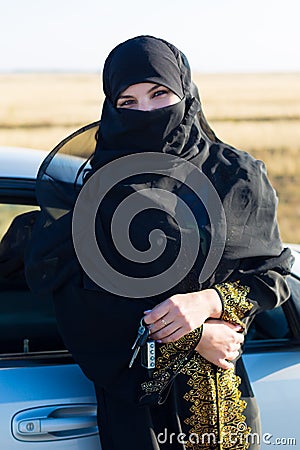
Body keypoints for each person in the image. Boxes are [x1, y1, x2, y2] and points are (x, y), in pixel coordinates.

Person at [25, 36, 293, 450]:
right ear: (111, 108)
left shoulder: (235, 177)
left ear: (184, 93)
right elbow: (82, 309)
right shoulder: (95, 194)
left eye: (159, 93)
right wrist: (194, 336)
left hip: (221, 405)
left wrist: (210, 303)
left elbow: (271, 275)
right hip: (136, 415)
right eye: (128, 102)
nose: (146, 111)